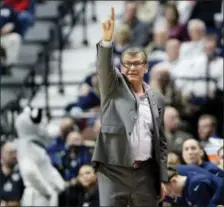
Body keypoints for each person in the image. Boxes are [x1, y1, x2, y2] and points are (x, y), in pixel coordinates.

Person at [92, 7, 168, 207]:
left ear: (146, 67)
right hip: (113, 170)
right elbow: (104, 68)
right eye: (127, 64)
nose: (132, 68)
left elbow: (160, 143)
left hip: (145, 173)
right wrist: (107, 41)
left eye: (137, 63)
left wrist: (162, 178)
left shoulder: (157, 99)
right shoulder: (112, 88)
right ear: (121, 67)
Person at [15, 107, 69, 206]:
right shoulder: (25, 145)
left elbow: (47, 168)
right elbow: (29, 172)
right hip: (36, 195)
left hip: (44, 194)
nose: (43, 126)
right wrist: (47, 191)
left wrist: (60, 184)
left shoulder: (36, 146)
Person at [0, 142, 24, 207]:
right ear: (2, 154)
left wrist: (8, 204)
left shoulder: (22, 173)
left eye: (15, 153)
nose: (14, 156)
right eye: (11, 153)